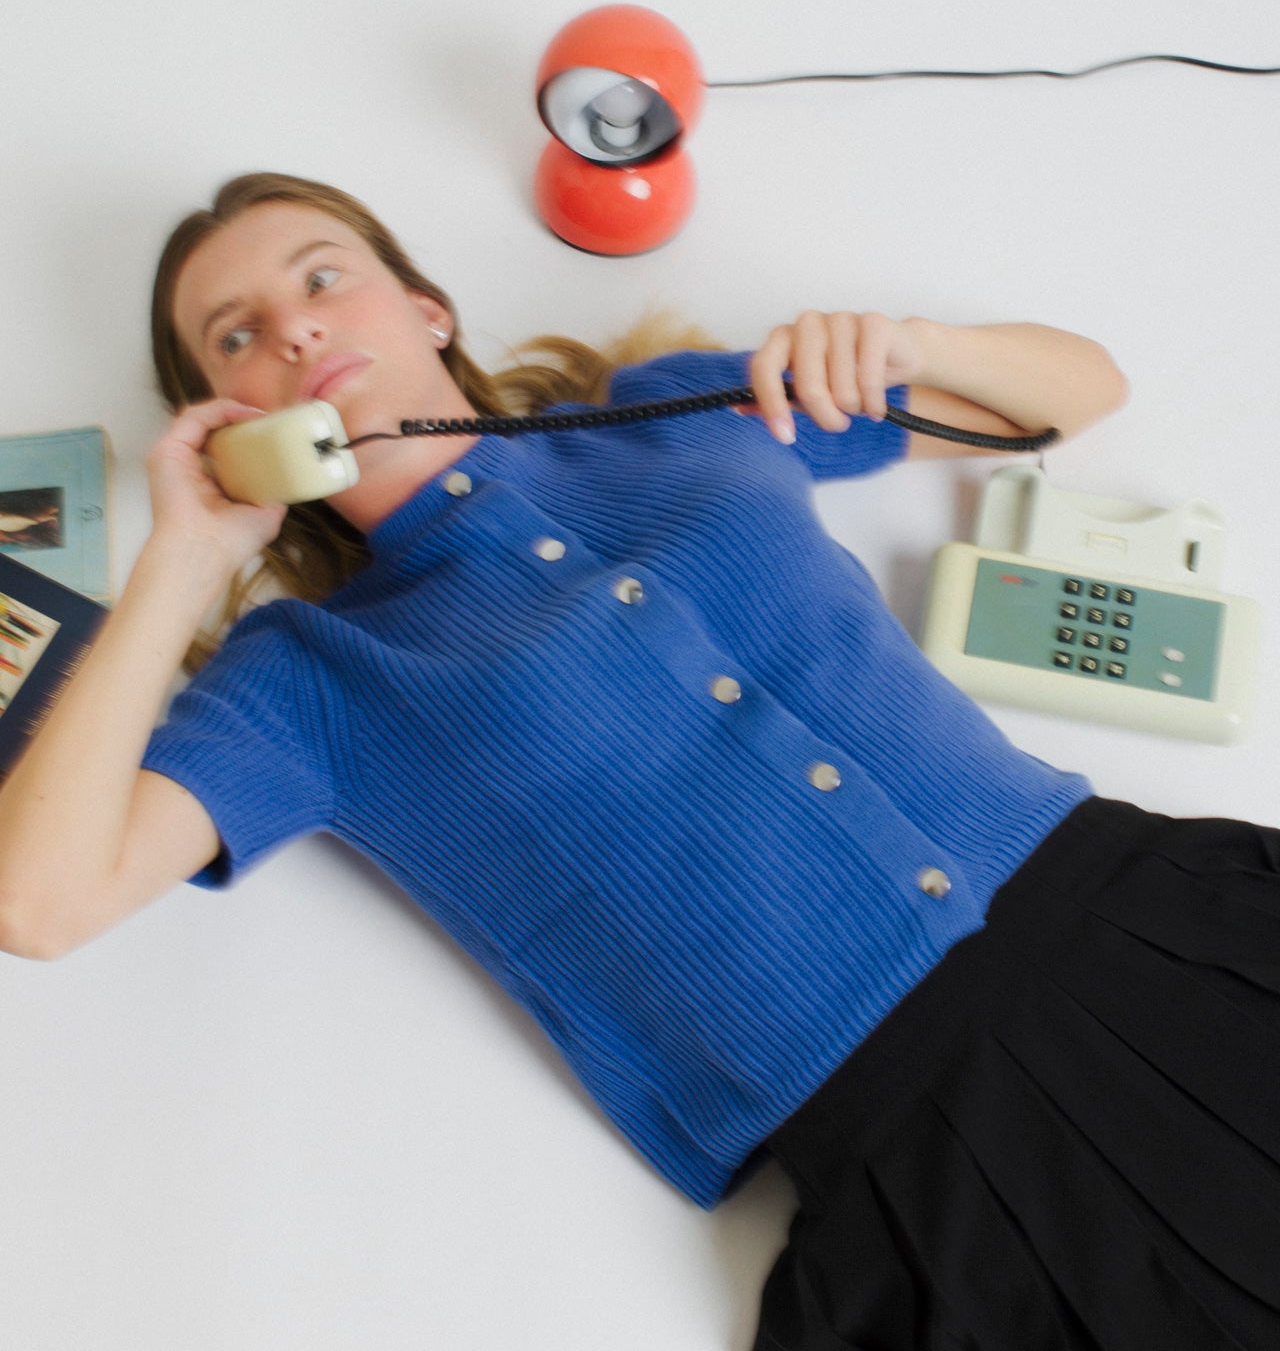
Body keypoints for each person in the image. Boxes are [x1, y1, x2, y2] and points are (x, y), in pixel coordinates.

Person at [1, 170, 1277, 1351]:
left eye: (323, 276)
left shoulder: (674, 416)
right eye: (235, 335)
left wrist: (910, 348)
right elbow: (38, 902)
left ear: (426, 308)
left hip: (1147, 930)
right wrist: (185, 556)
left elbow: (1073, 395)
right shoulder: (307, 677)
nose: (293, 328)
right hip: (918, 1161)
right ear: (222, 422)